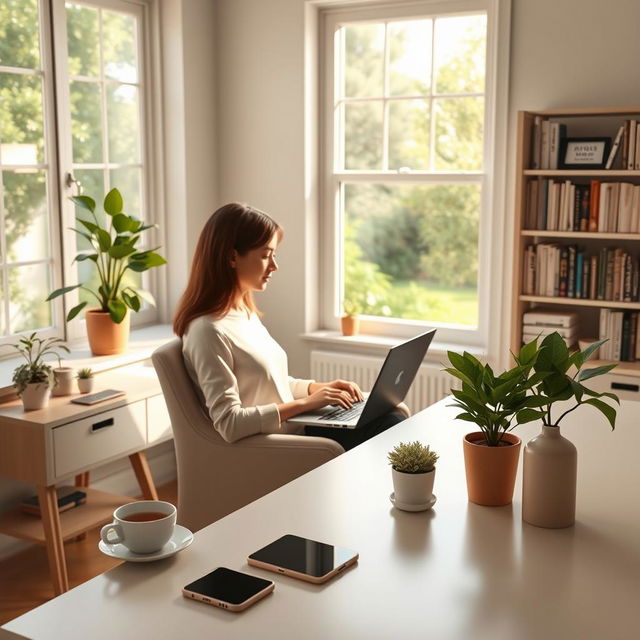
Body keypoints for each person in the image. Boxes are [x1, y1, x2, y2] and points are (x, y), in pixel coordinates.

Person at [173, 202, 405, 451]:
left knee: (390, 412)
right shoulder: (207, 331)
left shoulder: (243, 314)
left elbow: (271, 384)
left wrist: (319, 389)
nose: (274, 266)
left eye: (274, 254)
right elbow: (230, 423)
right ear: (231, 257)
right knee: (391, 424)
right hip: (277, 445)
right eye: (265, 255)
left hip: (295, 427)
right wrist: (307, 403)